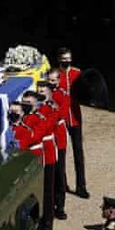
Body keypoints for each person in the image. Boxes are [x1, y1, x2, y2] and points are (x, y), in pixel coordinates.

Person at [51, 50, 88, 197]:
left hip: (74, 116)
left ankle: (81, 186)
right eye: (64, 59)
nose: (67, 61)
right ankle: (62, 184)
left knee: (78, 153)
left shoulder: (77, 73)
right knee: (61, 153)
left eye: (69, 59)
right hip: (60, 118)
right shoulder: (54, 75)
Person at [18, 91, 53, 230]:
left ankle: (46, 221)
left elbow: (36, 135)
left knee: (43, 190)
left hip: (35, 155)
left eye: (29, 103)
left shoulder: (39, 117)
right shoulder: (22, 117)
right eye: (24, 103)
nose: (26, 106)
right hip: (24, 157)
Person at [38, 81, 69, 220]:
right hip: (44, 146)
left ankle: (60, 206)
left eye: (42, 92)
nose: (39, 94)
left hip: (56, 143)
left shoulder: (54, 106)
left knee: (59, 175)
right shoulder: (38, 107)